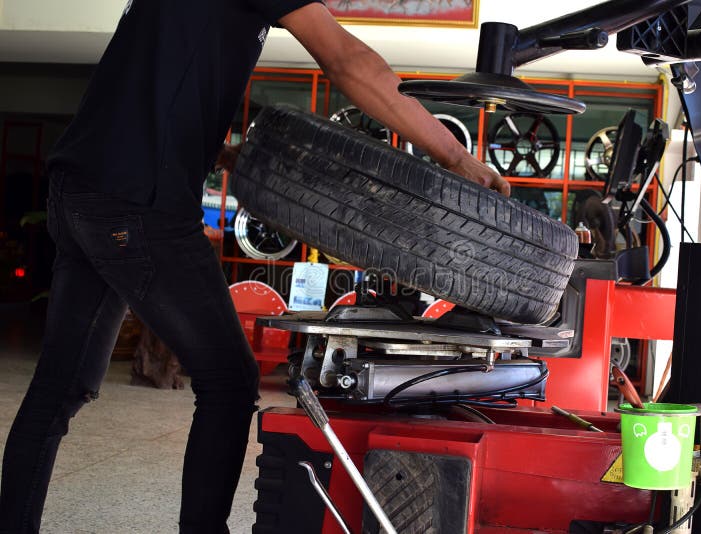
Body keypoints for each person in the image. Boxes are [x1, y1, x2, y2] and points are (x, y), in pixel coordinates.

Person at [0, 1, 508, 533]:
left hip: (78, 189)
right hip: (139, 203)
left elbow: (148, 87)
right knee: (231, 381)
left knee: (57, 389)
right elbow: (349, 61)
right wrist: (457, 157)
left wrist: (217, 153)